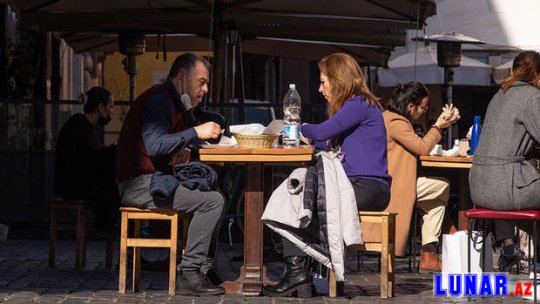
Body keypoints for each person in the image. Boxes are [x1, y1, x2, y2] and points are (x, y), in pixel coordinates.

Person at [263, 53, 392, 297]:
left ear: (338, 80)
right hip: (359, 185)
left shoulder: (359, 104)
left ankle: (297, 272)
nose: (320, 88)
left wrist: (293, 125)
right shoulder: (355, 107)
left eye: (323, 81)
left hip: (367, 187)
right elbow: (328, 143)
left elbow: (322, 132)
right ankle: (300, 272)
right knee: (299, 197)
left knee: (299, 200)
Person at [116, 53, 226, 296]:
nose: (205, 89)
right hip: (137, 184)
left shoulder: (176, 103)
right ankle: (189, 273)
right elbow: (155, 144)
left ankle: (204, 269)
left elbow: (164, 146)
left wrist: (183, 150)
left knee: (214, 190)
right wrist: (196, 131)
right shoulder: (159, 101)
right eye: (201, 82)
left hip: (154, 178)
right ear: (181, 78)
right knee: (212, 201)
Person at [370, 81, 459, 272]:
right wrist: (438, 126)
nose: (425, 111)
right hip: (394, 187)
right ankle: (443, 237)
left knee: (436, 196)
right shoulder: (396, 122)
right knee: (441, 187)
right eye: (424, 107)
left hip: (393, 181)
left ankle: (430, 252)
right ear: (411, 107)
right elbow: (422, 147)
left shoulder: (390, 118)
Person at [469, 51, 540, 272]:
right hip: (505, 187)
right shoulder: (531, 96)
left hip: (479, 186)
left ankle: (509, 246)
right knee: (512, 182)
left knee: (503, 180)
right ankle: (537, 260)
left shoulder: (499, 93)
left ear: (513, 70)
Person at [55, 86, 119, 234]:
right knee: (112, 191)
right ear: (101, 108)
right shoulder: (79, 124)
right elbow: (91, 158)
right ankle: (105, 228)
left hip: (78, 181)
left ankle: (106, 227)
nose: (113, 111)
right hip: (72, 185)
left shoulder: (88, 126)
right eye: (111, 107)